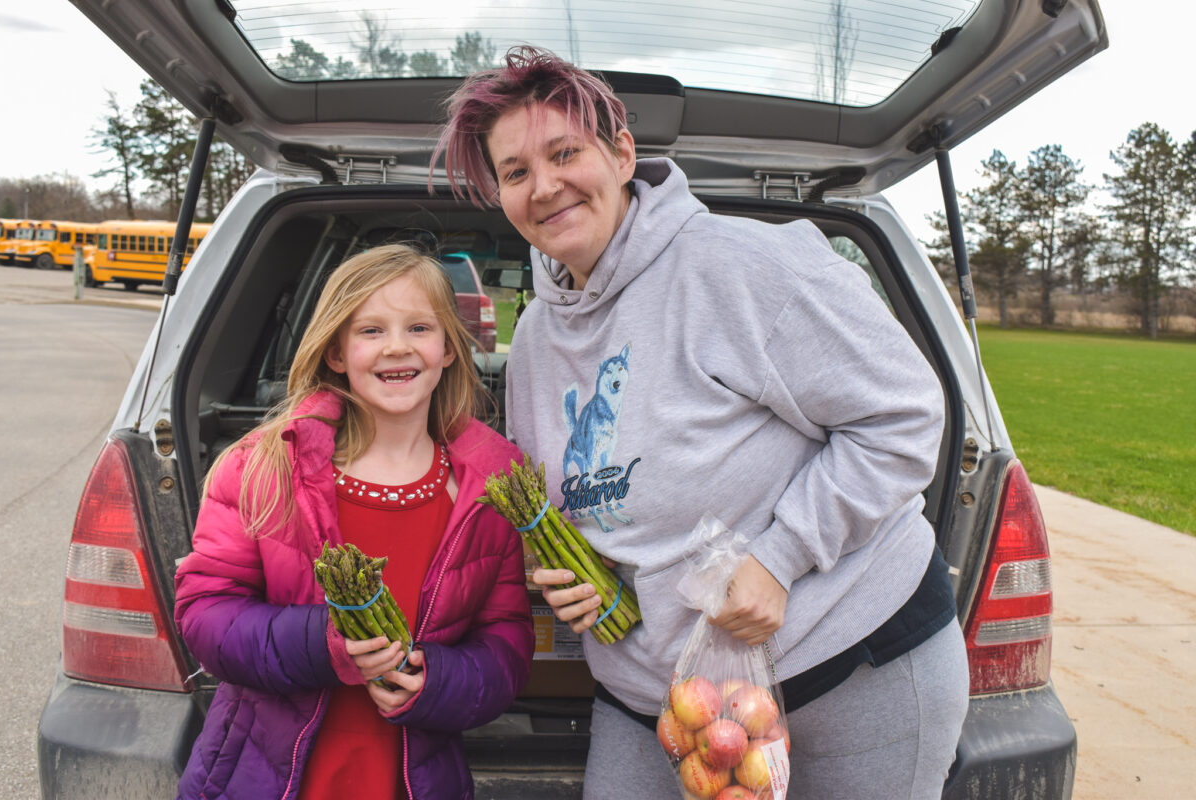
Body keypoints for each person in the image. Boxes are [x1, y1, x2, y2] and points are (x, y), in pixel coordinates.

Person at [432, 46, 970, 799]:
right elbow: (575, 491)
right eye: (516, 172)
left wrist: (781, 556)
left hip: (848, 664)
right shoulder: (535, 340)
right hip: (657, 698)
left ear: (622, 154)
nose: (545, 186)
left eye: (565, 153)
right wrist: (568, 571)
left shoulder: (740, 266)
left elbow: (904, 411)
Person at [172, 244, 534, 800]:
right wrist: (324, 644)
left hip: (411, 782)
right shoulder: (265, 467)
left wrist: (438, 682)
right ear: (336, 353)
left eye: (419, 328)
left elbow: (506, 642)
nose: (397, 346)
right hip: (264, 780)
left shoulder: (488, 490)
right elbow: (205, 614)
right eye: (371, 331)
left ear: (448, 349)